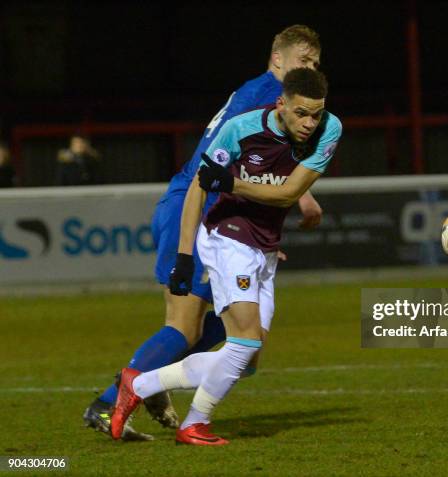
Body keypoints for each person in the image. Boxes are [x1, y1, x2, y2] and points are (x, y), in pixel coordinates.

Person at [83, 25, 324, 440]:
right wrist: (297, 201)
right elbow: (219, 166)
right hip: (195, 209)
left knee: (228, 323)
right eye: (303, 60)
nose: (310, 69)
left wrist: (253, 235)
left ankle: (152, 380)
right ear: (277, 58)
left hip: (221, 218)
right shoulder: (263, 96)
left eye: (316, 64)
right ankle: (107, 405)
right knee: (185, 328)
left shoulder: (270, 97)